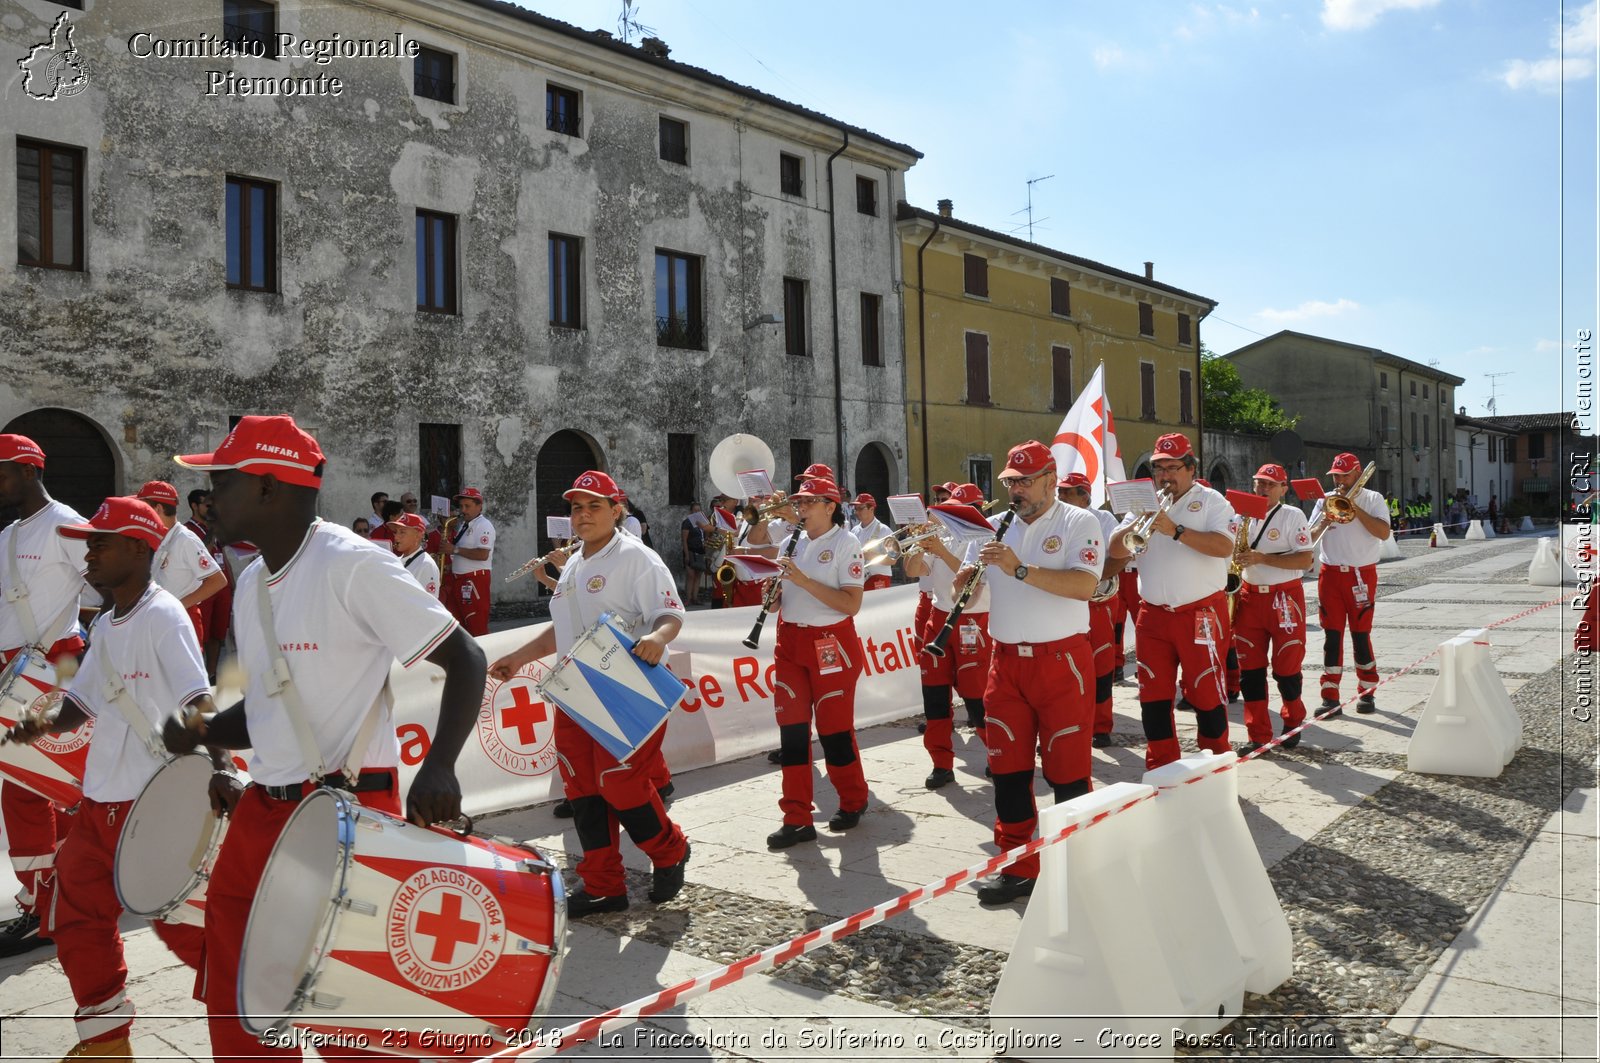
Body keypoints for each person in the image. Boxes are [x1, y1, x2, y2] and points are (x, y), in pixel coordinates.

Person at [165, 414, 486, 1062]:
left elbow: (467, 659)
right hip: (264, 810)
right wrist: (200, 731)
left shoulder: (354, 565)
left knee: (350, 1009)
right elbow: (265, 707)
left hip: (351, 812)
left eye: (220, 481)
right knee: (240, 986)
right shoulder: (253, 580)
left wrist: (440, 767)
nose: (205, 498)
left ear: (266, 487)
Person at [5, 496, 228, 1060]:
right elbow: (80, 702)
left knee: (185, 930)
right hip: (100, 804)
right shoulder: (105, 623)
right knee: (76, 919)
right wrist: (31, 726)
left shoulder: (164, 615)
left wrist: (224, 767)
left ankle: (257, 1011)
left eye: (99, 543)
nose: (88, 555)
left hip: (151, 805)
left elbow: (197, 698)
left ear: (137, 546)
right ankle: (106, 1042)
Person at [488, 471, 690, 915]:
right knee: (581, 788)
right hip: (575, 688)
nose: (582, 515)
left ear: (617, 510)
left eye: (594, 506)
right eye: (576, 507)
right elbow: (562, 630)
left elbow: (670, 614)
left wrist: (658, 637)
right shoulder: (575, 562)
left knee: (620, 785)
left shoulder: (638, 558)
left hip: (628, 686)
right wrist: (519, 657)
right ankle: (603, 885)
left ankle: (670, 850)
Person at [967, 442, 1104, 905]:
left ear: (1050, 478)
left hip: (1060, 662)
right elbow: (974, 597)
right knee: (1008, 769)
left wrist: (1020, 568)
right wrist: (961, 585)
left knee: (1067, 771)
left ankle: (1074, 863)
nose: (1016, 490)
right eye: (1010, 482)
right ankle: (1019, 865)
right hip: (1005, 662)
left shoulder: (1078, 522)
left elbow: (1084, 586)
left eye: (1024, 481)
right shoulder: (998, 526)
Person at [0, 435, 91, 959]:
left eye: (2, 471)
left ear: (31, 470)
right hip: (18, 672)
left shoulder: (66, 523)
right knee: (49, 786)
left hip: (55, 666)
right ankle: (64, 895)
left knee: (31, 790)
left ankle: (44, 908)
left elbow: (108, 582)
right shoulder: (10, 534)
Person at [1107, 433, 1238, 771]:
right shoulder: (1144, 502)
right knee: (1152, 697)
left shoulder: (1212, 502)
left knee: (1206, 695)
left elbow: (1224, 547)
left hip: (1201, 612)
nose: (1165, 476)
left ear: (1191, 469)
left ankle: (1215, 767)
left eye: (1173, 467)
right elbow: (1115, 550)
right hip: (1153, 616)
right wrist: (1134, 525)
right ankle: (1163, 767)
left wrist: (1176, 530)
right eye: (1159, 469)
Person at [764, 478, 870, 848]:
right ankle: (796, 816)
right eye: (799, 502)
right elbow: (783, 599)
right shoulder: (789, 543)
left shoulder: (847, 543)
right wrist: (773, 595)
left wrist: (804, 580)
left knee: (833, 730)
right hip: (790, 641)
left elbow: (851, 604)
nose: (802, 508)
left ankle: (853, 799)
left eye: (810, 502)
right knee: (792, 733)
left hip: (831, 644)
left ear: (830, 505)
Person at [1233, 464, 1316, 752]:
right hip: (1248, 597)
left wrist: (1262, 559)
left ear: (1283, 488)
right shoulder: (1240, 515)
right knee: (1250, 670)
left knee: (1286, 666)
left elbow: (1305, 560)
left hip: (1284, 598)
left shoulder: (1293, 515)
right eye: (1259, 483)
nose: (1263, 489)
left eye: (1270, 484)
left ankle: (1293, 720)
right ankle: (1257, 734)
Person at [1309, 452, 1392, 714]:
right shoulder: (1326, 500)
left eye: (1344, 474)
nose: (1339, 479)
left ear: (1357, 474)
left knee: (1360, 634)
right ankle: (1329, 694)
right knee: (1331, 635)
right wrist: (1325, 516)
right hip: (1331, 574)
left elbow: (1383, 532)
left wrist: (1355, 509)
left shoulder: (1373, 498)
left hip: (1361, 574)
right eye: (1336, 475)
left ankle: (1367, 691)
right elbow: (1309, 537)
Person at [1058, 472, 1123, 748]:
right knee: (1064, 670)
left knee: (1101, 664)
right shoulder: (1054, 519)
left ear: (1085, 495)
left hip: (1098, 602)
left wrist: (1090, 580)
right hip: (1065, 599)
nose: (1061, 496)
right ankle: (1065, 725)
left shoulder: (1103, 519)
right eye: (1060, 491)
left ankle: (1101, 726)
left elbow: (1119, 558)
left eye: (1068, 491)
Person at [136, 480, 227, 642]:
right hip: (159, 618)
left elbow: (218, 581)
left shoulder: (185, 539)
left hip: (181, 618)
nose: (140, 513)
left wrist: (177, 607)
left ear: (158, 509)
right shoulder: (159, 537)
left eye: (143, 508)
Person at [185, 488, 232, 680]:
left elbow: (222, 553)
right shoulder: (188, 530)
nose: (211, 508)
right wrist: (212, 531)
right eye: (206, 505)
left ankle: (213, 673)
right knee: (202, 633)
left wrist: (232, 581)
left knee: (218, 632)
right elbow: (204, 551)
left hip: (222, 585)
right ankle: (200, 674)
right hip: (204, 586)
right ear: (195, 506)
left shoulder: (214, 526)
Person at [443, 486, 495, 636]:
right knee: (459, 626)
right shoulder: (465, 526)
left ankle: (485, 658)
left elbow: (483, 554)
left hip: (474, 581)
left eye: (468, 506)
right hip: (460, 581)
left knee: (476, 626)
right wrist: (451, 566)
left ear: (479, 506)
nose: (463, 510)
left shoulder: (484, 525)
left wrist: (454, 550)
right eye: (461, 506)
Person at [389, 512, 441, 597]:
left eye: (402, 532)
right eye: (395, 532)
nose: (396, 537)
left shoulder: (426, 565)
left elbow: (428, 604)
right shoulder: (396, 560)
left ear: (418, 535)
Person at [849, 494, 894, 590]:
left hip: (878, 578)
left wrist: (872, 556)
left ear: (872, 509)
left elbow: (893, 559)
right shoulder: (854, 531)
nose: (857, 512)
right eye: (856, 509)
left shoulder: (884, 530)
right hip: (858, 579)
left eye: (861, 508)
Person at [681, 501, 708, 602]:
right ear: (691, 511)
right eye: (695, 510)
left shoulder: (702, 523)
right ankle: (688, 598)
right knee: (691, 575)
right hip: (691, 551)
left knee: (698, 575)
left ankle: (695, 597)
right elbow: (684, 540)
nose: (697, 512)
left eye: (699, 510)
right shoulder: (687, 522)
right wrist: (686, 555)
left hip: (700, 551)